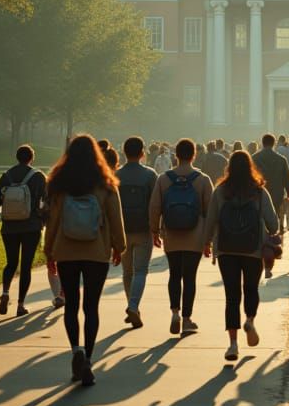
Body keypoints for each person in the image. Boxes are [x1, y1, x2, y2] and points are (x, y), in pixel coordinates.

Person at [43, 134, 126, 386]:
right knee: (91, 307)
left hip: (67, 250)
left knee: (71, 305)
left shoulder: (59, 184)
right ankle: (88, 357)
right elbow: (115, 218)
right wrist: (119, 247)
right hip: (96, 251)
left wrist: (49, 252)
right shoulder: (106, 184)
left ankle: (75, 350)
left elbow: (53, 221)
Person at [206, 150, 279, 361]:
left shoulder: (220, 191)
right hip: (252, 248)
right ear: (250, 167)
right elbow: (273, 223)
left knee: (231, 296)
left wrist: (206, 242)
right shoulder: (258, 191)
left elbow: (211, 219)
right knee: (250, 288)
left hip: (226, 249)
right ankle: (250, 319)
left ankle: (233, 344)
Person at [149, 138, 214, 335]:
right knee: (190, 277)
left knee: (174, 274)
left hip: (171, 234)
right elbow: (210, 212)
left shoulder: (164, 179)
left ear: (175, 155)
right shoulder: (202, 180)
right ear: (194, 155)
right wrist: (208, 240)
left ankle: (175, 312)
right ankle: (187, 318)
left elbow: (154, 207)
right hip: (195, 235)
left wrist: (154, 230)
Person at [0, 144, 47, 318]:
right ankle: (21, 304)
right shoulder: (38, 176)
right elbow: (46, 201)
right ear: (31, 158)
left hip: (9, 227)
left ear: (17, 157)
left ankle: (6, 292)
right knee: (26, 266)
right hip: (31, 226)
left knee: (11, 262)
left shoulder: (6, 176)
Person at [116, 136, 159, 329]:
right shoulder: (150, 175)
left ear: (124, 152)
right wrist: (156, 229)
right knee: (141, 270)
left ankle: (131, 305)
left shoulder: (116, 175)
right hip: (143, 228)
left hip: (123, 229)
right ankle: (134, 305)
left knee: (127, 271)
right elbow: (156, 204)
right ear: (143, 153)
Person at [253, 133, 289, 232]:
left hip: (258, 192)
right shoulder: (282, 159)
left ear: (262, 143)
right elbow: (287, 178)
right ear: (274, 143)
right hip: (277, 192)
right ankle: (275, 236)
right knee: (276, 215)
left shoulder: (254, 158)